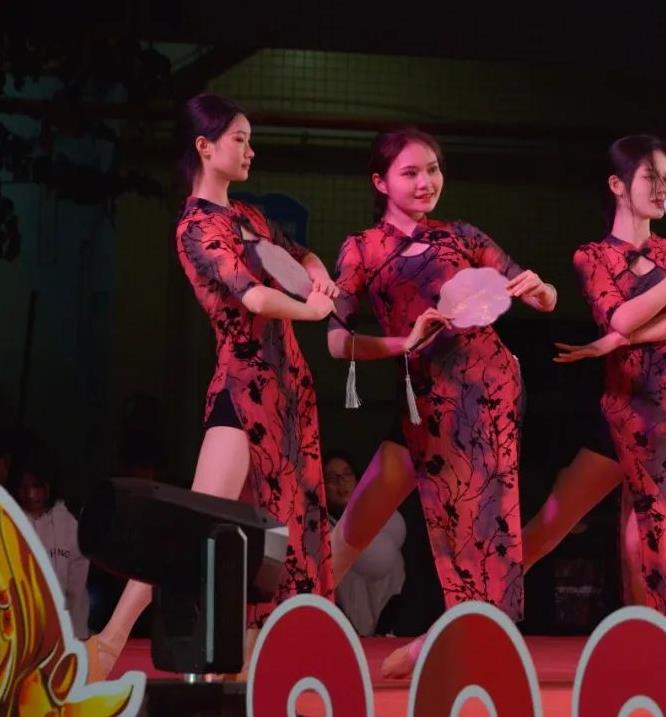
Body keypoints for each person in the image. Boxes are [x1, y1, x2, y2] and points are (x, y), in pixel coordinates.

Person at [85, 93, 338, 680]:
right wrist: (311, 310)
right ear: (204, 146)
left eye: (250, 140)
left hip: (289, 389)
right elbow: (254, 297)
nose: (251, 150)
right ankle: (109, 643)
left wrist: (320, 279)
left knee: (276, 525)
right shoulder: (195, 227)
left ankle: (248, 657)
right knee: (194, 522)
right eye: (239, 139)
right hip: (244, 387)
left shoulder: (251, 216)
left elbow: (301, 256)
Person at [328, 127, 557, 677]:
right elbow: (338, 342)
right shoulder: (363, 248)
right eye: (410, 172)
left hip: (487, 391)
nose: (425, 182)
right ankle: (286, 620)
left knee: (484, 529)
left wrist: (540, 290)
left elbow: (544, 296)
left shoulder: (462, 235)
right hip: (424, 400)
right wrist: (402, 343)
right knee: (371, 520)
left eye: (432, 169)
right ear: (380, 181)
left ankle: (462, 645)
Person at [559, 134, 666, 647]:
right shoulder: (592, 256)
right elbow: (620, 315)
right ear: (617, 184)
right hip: (631, 406)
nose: (660, 188)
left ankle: (664, 635)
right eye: (650, 176)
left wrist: (619, 340)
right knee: (643, 531)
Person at [323, 450, 405, 636]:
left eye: (346, 475)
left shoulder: (380, 522)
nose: (341, 483)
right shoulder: (321, 530)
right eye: (332, 478)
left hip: (384, 633)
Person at [11, 459, 91, 639]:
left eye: (36, 486)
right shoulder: (8, 523)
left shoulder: (68, 525)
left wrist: (75, 636)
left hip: (63, 629)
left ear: (48, 487)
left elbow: (77, 590)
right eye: (23, 487)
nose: (30, 494)